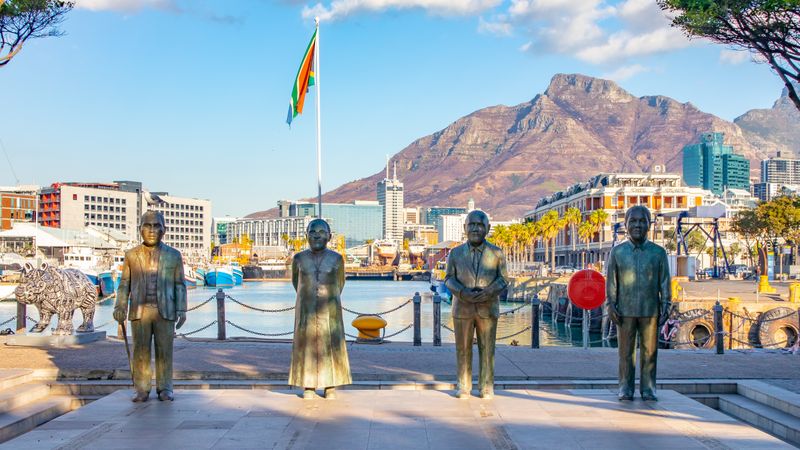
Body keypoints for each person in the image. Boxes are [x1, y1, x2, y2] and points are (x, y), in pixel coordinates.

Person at [113, 211, 187, 402]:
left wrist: (182, 309)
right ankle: (142, 388)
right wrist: (120, 305)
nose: (152, 230)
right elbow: (124, 284)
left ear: (164, 230)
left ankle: (165, 388)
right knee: (141, 351)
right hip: (140, 311)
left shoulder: (174, 255)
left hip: (166, 310)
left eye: (156, 226)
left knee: (165, 350)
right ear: (140, 229)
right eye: (147, 225)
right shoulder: (131, 255)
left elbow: (180, 284)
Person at [606, 205, 671, 402]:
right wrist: (610, 304)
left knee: (650, 352)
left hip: (650, 310)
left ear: (649, 225)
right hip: (624, 311)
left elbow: (665, 281)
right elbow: (611, 281)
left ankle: (648, 388)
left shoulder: (658, 253)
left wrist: (667, 304)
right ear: (626, 225)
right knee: (625, 352)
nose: (637, 225)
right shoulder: (617, 253)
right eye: (633, 221)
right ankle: (625, 387)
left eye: (642, 221)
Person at [445, 210, 508, 399]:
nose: (475, 229)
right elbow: (448, 278)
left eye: (480, 225)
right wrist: (462, 292)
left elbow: (503, 279)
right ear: (464, 228)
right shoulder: (455, 254)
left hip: (487, 308)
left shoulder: (497, 253)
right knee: (462, 349)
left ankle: (486, 386)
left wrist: (488, 292)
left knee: (487, 349)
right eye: (471, 225)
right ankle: (463, 386)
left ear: (487, 228)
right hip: (462, 307)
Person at [289, 218, 352, 399]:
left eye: (321, 232)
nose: (317, 235)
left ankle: (329, 385)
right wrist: (308, 297)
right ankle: (308, 385)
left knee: (331, 344)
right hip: (306, 310)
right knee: (306, 345)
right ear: (306, 235)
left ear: (329, 236)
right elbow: (297, 283)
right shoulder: (299, 258)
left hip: (330, 311)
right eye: (313, 232)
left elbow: (339, 284)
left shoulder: (337, 259)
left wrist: (327, 298)